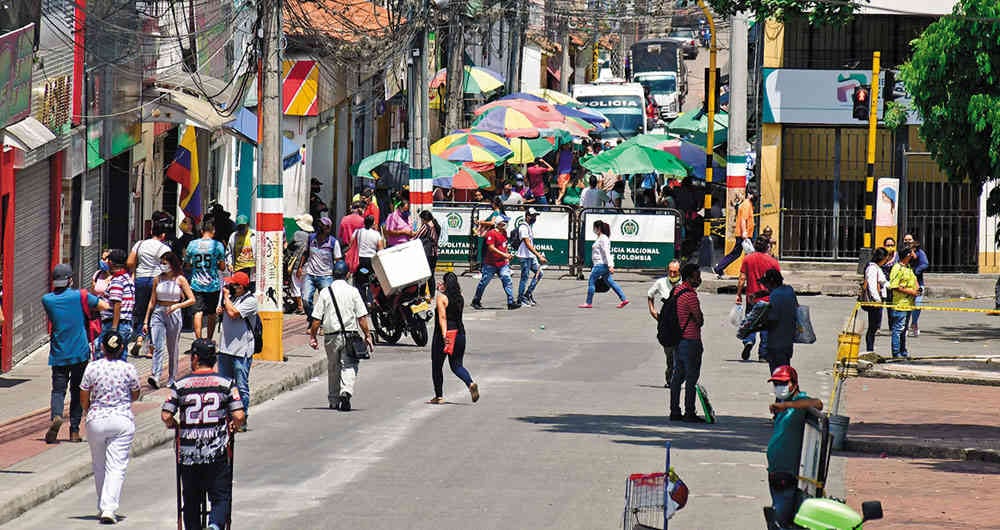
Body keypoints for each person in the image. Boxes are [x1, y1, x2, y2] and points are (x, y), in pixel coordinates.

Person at [161, 339, 245, 530]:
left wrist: (174, 424)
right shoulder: (226, 384)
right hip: (216, 452)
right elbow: (239, 415)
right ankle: (215, 526)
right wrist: (234, 425)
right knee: (220, 496)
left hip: (189, 454)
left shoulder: (180, 385)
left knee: (190, 498)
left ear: (195, 358)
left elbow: (166, 415)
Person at [42, 264, 110, 444]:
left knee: (58, 390)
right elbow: (103, 306)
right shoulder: (81, 296)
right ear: (70, 280)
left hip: (58, 352)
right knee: (77, 390)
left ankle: (56, 416)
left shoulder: (47, 299)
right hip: (80, 351)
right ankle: (74, 430)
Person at [80, 331, 140, 524]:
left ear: (102, 348)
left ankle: (102, 505)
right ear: (121, 347)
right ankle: (109, 508)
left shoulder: (92, 367)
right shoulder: (128, 368)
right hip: (121, 420)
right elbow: (136, 393)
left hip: (96, 419)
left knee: (99, 465)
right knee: (116, 466)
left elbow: (84, 394)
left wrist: (90, 411)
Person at [308, 261, 374, 411]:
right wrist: (368, 335)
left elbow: (316, 319)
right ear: (347, 275)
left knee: (333, 367)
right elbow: (362, 317)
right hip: (350, 336)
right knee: (349, 365)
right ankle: (346, 391)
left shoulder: (325, 292)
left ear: (333, 275)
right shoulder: (353, 292)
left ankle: (333, 400)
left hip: (331, 337)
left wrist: (312, 336)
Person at [766, 365, 824, 529]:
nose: (779, 387)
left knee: (781, 521)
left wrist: (786, 406)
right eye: (776, 384)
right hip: (775, 471)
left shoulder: (798, 402)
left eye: (783, 383)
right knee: (777, 516)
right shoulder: (785, 403)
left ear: (794, 383)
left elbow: (817, 403)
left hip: (787, 472)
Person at [429, 272, 480, 404]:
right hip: (460, 333)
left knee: (437, 365)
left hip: (446, 335)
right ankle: (470, 383)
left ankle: (439, 396)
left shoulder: (442, 298)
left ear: (445, 284)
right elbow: (456, 291)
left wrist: (445, 335)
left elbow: (442, 317)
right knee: (457, 365)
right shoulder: (460, 297)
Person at [216, 272, 258, 427]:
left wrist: (226, 299)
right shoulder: (230, 298)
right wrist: (220, 309)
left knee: (241, 387)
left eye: (233, 285)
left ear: (242, 287)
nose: (229, 287)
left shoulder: (250, 301)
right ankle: (226, 418)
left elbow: (233, 313)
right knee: (224, 386)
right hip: (225, 349)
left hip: (242, 351)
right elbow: (225, 312)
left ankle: (241, 420)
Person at [127, 218, 171, 356]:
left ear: (151, 231)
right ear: (163, 235)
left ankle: (140, 337)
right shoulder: (164, 248)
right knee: (154, 312)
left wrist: (135, 271)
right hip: (156, 280)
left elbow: (129, 262)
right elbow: (168, 266)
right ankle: (151, 349)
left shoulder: (140, 244)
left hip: (140, 279)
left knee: (140, 311)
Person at [669, 263, 705, 422]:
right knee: (691, 377)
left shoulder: (676, 291)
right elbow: (699, 319)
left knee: (677, 376)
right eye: (697, 276)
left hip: (678, 339)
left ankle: (674, 410)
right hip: (691, 340)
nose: (699, 279)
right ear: (690, 277)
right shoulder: (690, 296)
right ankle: (689, 411)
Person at [736, 237, 780, 361]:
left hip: (751, 298)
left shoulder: (748, 259)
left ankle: (748, 341)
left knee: (751, 321)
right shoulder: (773, 262)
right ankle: (763, 354)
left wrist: (738, 294)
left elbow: (742, 278)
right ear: (767, 247)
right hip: (768, 299)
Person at [185, 220, 227, 340]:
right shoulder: (218, 245)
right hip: (212, 285)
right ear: (213, 231)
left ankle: (198, 339)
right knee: (211, 313)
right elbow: (223, 267)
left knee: (197, 312)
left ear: (202, 231)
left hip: (196, 284)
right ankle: (209, 339)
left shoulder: (192, 244)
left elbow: (187, 264)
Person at [471, 217, 521, 310]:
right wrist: (504, 254)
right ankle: (476, 300)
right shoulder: (491, 233)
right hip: (490, 263)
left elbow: (504, 246)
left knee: (507, 280)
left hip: (502, 263)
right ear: (499, 223)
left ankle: (510, 302)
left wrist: (506, 258)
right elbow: (491, 248)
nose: (506, 223)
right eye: (504, 222)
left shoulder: (504, 233)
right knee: (484, 282)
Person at [647, 260, 682, 387]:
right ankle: (670, 379)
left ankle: (677, 378)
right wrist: (653, 312)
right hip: (666, 325)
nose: (673, 275)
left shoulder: (684, 284)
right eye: (671, 272)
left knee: (681, 354)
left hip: (680, 324)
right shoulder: (661, 283)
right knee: (670, 356)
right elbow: (650, 295)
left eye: (675, 272)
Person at [301, 216, 342, 323]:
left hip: (326, 276)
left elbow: (338, 260)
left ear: (328, 228)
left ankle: (321, 323)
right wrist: (300, 268)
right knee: (305, 300)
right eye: (319, 224)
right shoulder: (311, 238)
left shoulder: (333, 242)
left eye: (322, 226)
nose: (320, 227)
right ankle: (313, 320)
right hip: (310, 274)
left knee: (327, 301)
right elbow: (306, 253)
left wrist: (338, 276)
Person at [579, 220, 628, 309]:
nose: (593, 230)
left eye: (594, 228)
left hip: (600, 264)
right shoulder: (601, 238)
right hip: (602, 264)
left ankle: (588, 302)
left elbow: (606, 252)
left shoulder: (603, 239)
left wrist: (610, 265)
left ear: (598, 228)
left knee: (591, 281)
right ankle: (623, 299)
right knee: (610, 282)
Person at [98, 250, 136, 358]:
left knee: (108, 357)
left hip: (115, 325)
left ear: (111, 262)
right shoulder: (127, 278)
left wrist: (114, 329)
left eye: (106, 260)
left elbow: (117, 304)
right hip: (125, 323)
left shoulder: (117, 281)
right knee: (121, 356)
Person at [761, 269, 798, 372]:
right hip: (788, 342)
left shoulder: (774, 296)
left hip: (776, 343)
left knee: (778, 375)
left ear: (771, 283)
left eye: (766, 283)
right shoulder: (789, 290)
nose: (765, 286)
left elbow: (772, 319)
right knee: (785, 370)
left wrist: (756, 325)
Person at [713, 190, 756, 278]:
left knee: (740, 253)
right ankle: (719, 268)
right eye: (753, 195)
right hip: (743, 235)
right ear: (749, 195)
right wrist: (744, 232)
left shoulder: (748, 204)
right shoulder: (746, 204)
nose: (755, 197)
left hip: (745, 234)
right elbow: (743, 219)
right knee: (742, 253)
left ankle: (719, 268)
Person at [888, 248, 920, 359]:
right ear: (906, 255)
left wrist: (917, 289)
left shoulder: (908, 267)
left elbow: (914, 280)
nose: (913, 256)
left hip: (909, 304)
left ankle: (903, 350)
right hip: (900, 304)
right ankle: (896, 352)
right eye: (911, 254)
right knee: (898, 329)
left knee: (903, 329)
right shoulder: (897, 268)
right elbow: (895, 286)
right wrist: (910, 291)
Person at [515, 208, 548, 306]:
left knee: (539, 273)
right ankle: (520, 299)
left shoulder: (529, 226)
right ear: (527, 216)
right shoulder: (523, 227)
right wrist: (539, 256)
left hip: (530, 256)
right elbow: (527, 244)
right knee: (524, 278)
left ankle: (527, 294)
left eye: (535, 216)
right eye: (533, 216)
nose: (535, 218)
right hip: (524, 256)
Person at [862, 248, 890, 353]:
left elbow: (883, 282)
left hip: (878, 300)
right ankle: (869, 348)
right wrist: (877, 300)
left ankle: (871, 347)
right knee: (872, 326)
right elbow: (872, 286)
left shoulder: (877, 268)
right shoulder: (872, 268)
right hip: (874, 301)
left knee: (874, 326)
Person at [352, 214, 384, 305]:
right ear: (373, 223)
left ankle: (360, 302)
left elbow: (351, 243)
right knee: (372, 282)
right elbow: (381, 249)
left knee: (359, 282)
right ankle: (370, 302)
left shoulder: (357, 232)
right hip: (371, 262)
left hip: (360, 261)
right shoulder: (376, 234)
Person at [287, 213, 314, 314]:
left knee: (296, 285)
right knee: (303, 286)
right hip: (308, 265)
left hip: (297, 264)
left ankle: (300, 306)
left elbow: (290, 246)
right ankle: (304, 305)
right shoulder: (312, 236)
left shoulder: (298, 234)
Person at [903, 234, 929, 337]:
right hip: (904, 284)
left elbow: (925, 264)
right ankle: (904, 326)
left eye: (909, 240)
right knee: (905, 306)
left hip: (918, 283)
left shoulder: (920, 252)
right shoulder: (901, 252)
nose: (907, 242)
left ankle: (914, 324)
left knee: (917, 305)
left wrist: (915, 271)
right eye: (905, 240)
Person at [415, 210, 442, 298]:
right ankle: (432, 295)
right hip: (434, 253)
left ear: (424, 219)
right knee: (431, 275)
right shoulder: (435, 225)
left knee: (424, 274)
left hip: (427, 253)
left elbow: (416, 237)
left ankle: (422, 294)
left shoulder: (426, 226)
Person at [227, 214, 256, 283]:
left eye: (243, 226)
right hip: (238, 268)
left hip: (251, 268)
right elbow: (229, 251)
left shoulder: (254, 235)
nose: (241, 228)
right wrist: (229, 263)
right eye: (239, 226)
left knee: (250, 287)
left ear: (248, 225)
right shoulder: (233, 236)